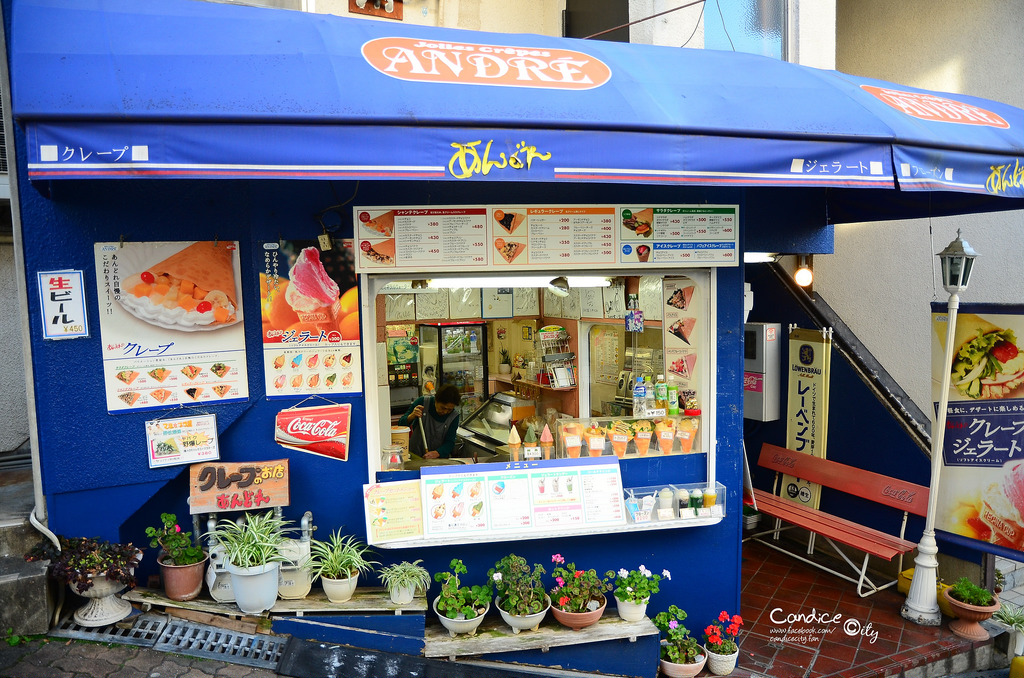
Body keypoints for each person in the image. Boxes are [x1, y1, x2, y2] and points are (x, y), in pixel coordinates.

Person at [399, 384, 461, 459]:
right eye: (443, 408)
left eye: (449, 409)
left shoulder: (454, 416)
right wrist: (412, 416)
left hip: (438, 460)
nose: (445, 412)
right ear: (436, 400)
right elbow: (401, 424)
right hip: (414, 455)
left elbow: (450, 442)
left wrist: (438, 453)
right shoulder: (422, 402)